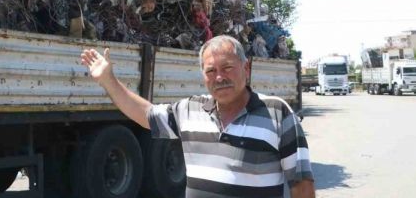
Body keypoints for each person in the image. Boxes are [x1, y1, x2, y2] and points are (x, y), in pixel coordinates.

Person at [80, 35, 315, 198]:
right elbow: (145, 114)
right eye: (211, 71)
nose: (219, 77)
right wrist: (108, 80)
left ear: (246, 69)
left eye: (227, 68)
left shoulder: (277, 112)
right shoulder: (190, 110)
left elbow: (302, 184)